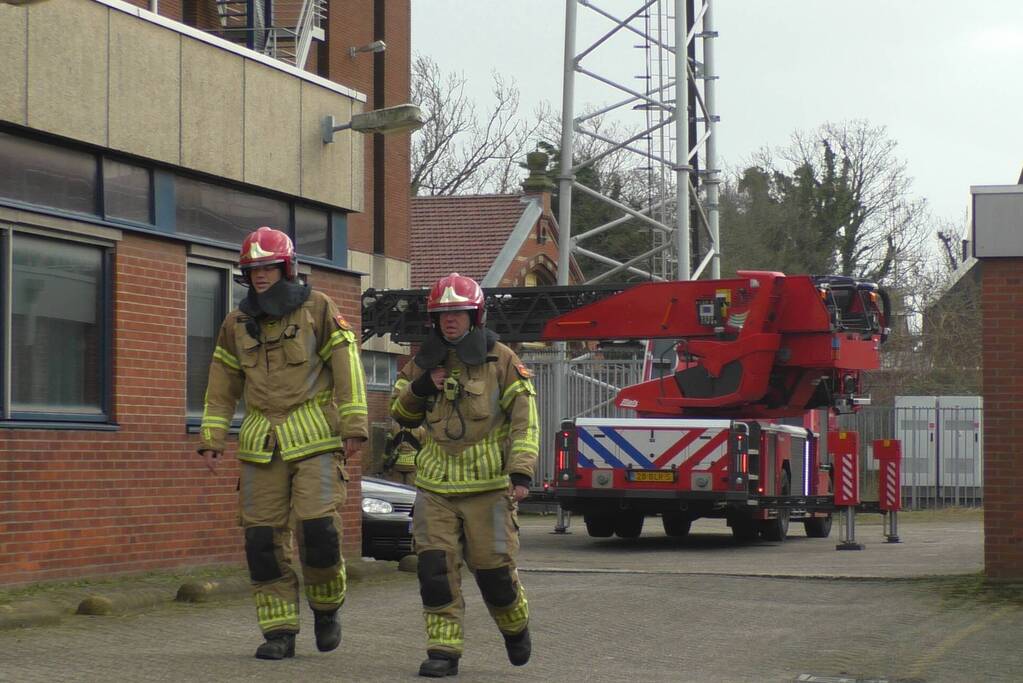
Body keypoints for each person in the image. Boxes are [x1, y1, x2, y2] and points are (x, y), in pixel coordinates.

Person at [198, 226, 368, 660]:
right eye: (252, 270)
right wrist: (213, 435)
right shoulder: (236, 323)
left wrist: (354, 426)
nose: (259, 276)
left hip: (315, 437)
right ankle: (279, 631)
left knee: (320, 533)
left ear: (286, 268)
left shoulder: (318, 307)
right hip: (259, 444)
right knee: (262, 543)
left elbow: (347, 363)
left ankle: (326, 607)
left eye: (268, 268)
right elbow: (222, 381)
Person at [390, 272, 539, 677]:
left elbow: (526, 422)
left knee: (494, 575)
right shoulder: (420, 361)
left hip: (488, 489)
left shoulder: (502, 359)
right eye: (442, 314)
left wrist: (521, 473)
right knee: (435, 571)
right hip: (435, 486)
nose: (450, 320)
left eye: (458, 313)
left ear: (475, 315)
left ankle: (515, 627)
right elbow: (399, 415)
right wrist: (421, 387)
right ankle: (443, 651)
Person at [382, 421, 424, 486]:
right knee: (410, 491)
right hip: (412, 466)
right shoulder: (421, 430)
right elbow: (424, 449)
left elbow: (388, 447)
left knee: (397, 490)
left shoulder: (394, 427)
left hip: (397, 464)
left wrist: (385, 463)